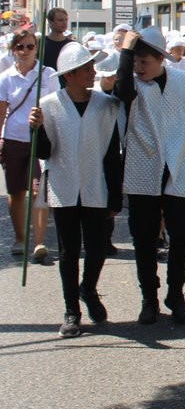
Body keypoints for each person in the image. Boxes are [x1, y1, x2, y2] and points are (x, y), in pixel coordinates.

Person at [113, 26, 185, 324]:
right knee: (143, 235)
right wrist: (126, 53)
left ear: (160, 59)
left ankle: (175, 292)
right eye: (135, 62)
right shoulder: (133, 84)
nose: (139, 68)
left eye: (145, 62)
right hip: (142, 169)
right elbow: (122, 90)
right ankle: (148, 296)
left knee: (183, 232)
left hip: (178, 167)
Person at [29, 43, 123, 338]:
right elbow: (45, 152)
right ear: (69, 75)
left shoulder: (105, 105)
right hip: (64, 185)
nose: (93, 72)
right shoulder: (49, 105)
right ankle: (72, 310)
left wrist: (115, 195)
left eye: (92, 67)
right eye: (86, 68)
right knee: (69, 251)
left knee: (97, 248)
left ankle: (89, 289)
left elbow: (112, 152)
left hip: (96, 185)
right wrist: (38, 129)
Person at [0, 27, 59, 261]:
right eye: (20, 47)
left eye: (29, 46)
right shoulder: (5, 78)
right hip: (14, 139)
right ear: (13, 50)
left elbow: (56, 108)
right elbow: (1, 112)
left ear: (37, 48)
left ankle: (39, 242)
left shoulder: (49, 74)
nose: (25, 51)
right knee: (16, 192)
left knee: (39, 192)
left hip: (39, 141)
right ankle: (20, 238)